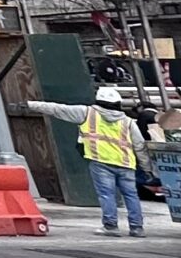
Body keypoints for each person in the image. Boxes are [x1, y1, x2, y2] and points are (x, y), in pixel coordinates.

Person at [20, 85, 150, 236]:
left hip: (100, 162)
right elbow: (140, 146)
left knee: (107, 194)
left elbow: (57, 109)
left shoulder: (87, 113)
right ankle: (137, 228)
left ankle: (110, 226)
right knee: (131, 196)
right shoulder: (128, 122)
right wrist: (147, 168)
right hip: (126, 164)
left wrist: (31, 104)